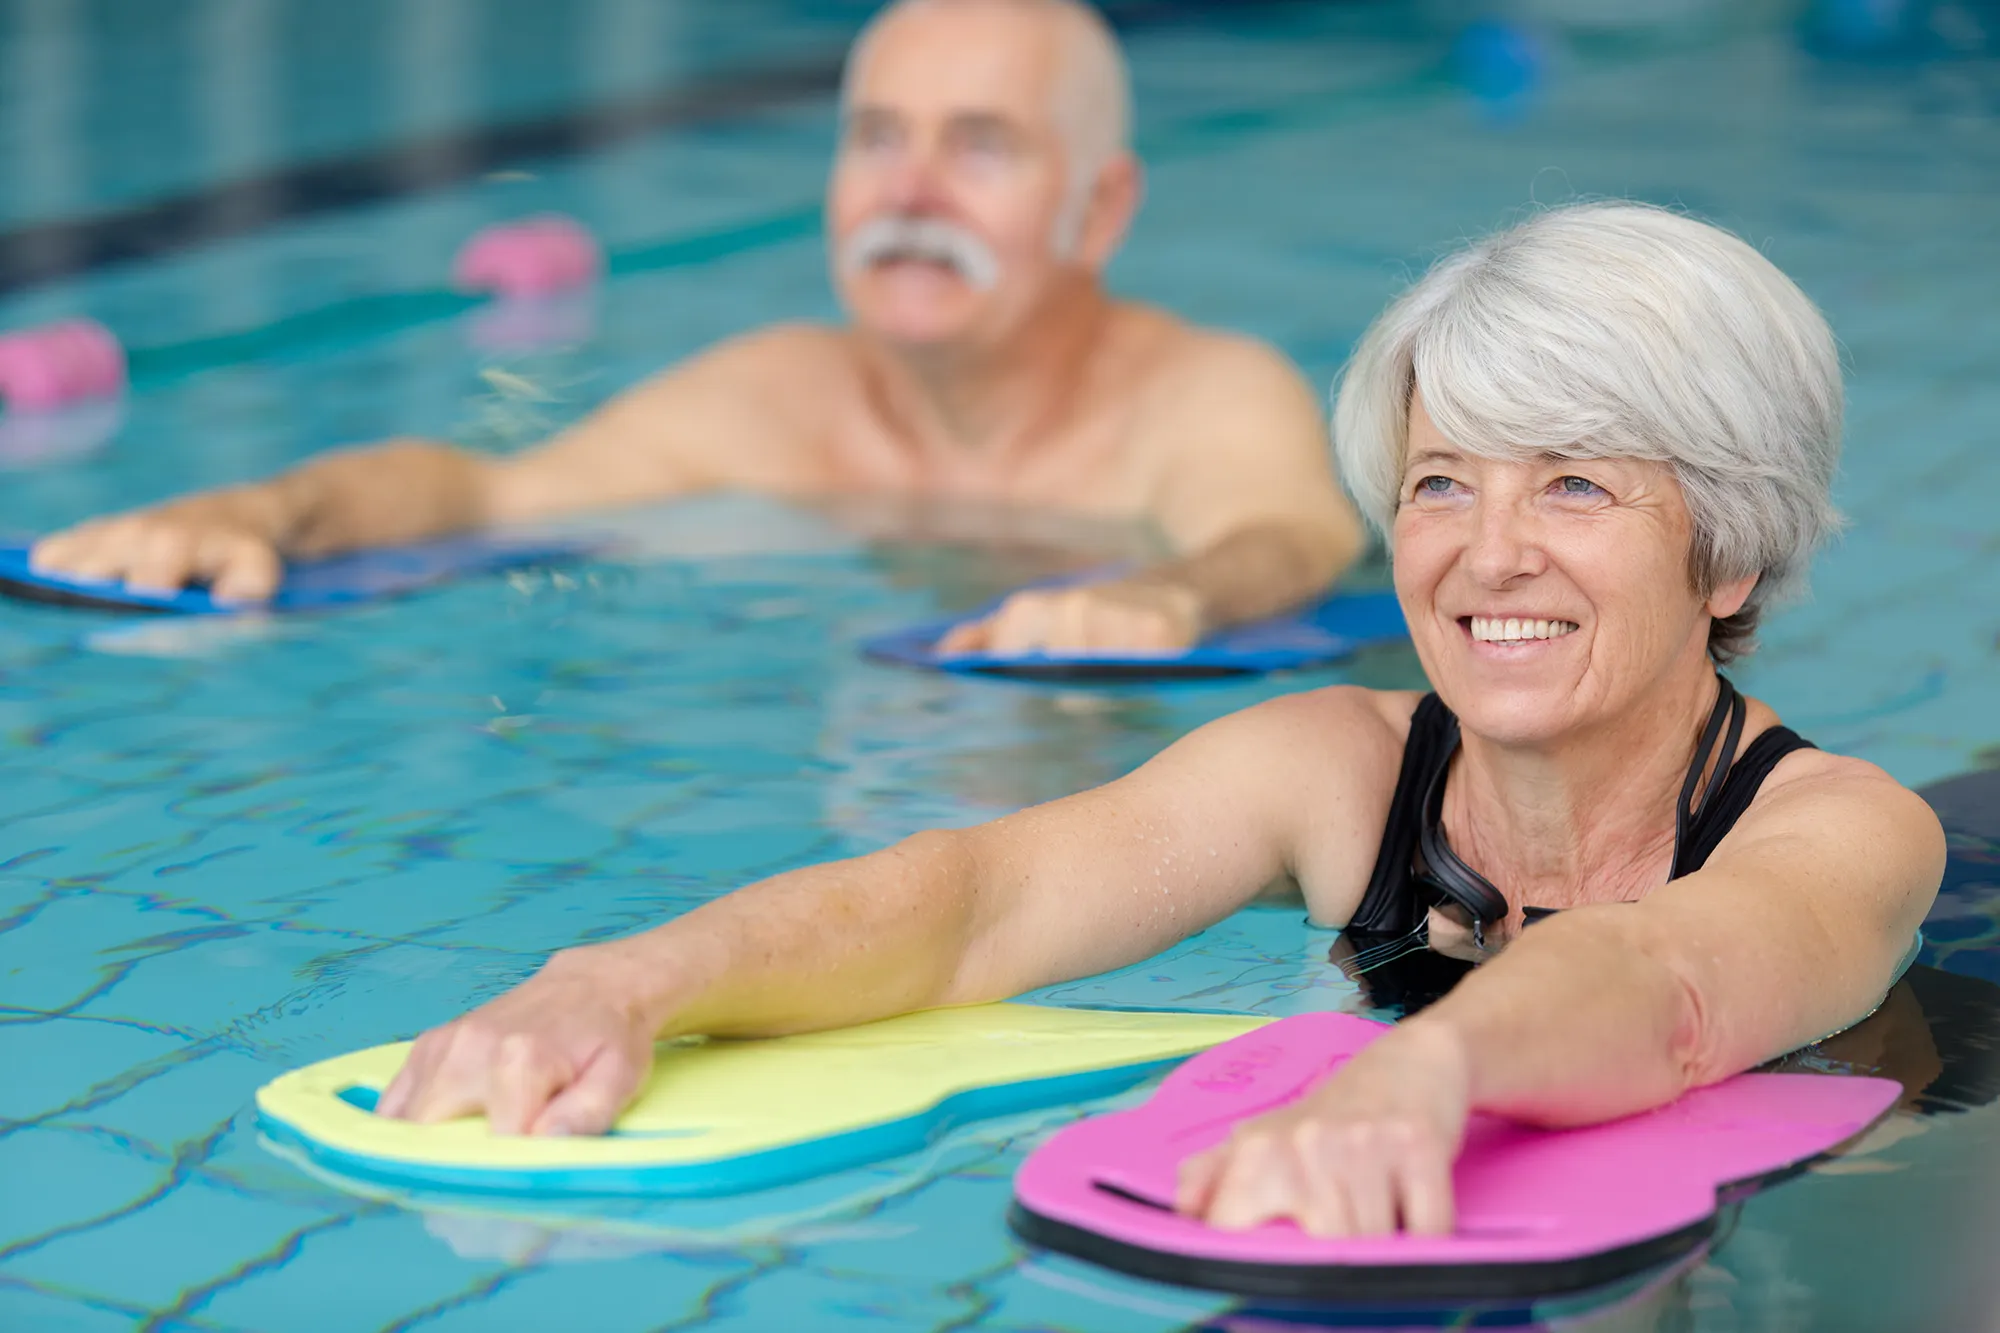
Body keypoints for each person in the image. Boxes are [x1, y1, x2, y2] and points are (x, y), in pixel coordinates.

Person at [374, 203, 1944, 1237]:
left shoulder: (1845, 832)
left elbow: (1663, 985)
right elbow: (972, 904)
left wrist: (1415, 1073)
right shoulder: (1337, 774)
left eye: (1580, 485)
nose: (1490, 552)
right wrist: (622, 983)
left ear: (1728, 548)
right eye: (1441, 483)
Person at [28, 0, 1363, 657]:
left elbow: (1291, 537)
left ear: (1099, 208)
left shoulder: (1203, 397)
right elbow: (482, 490)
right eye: (877, 140)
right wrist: (260, 513)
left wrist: (1169, 594)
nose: (909, 194)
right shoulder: (775, 399)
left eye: (980, 147)